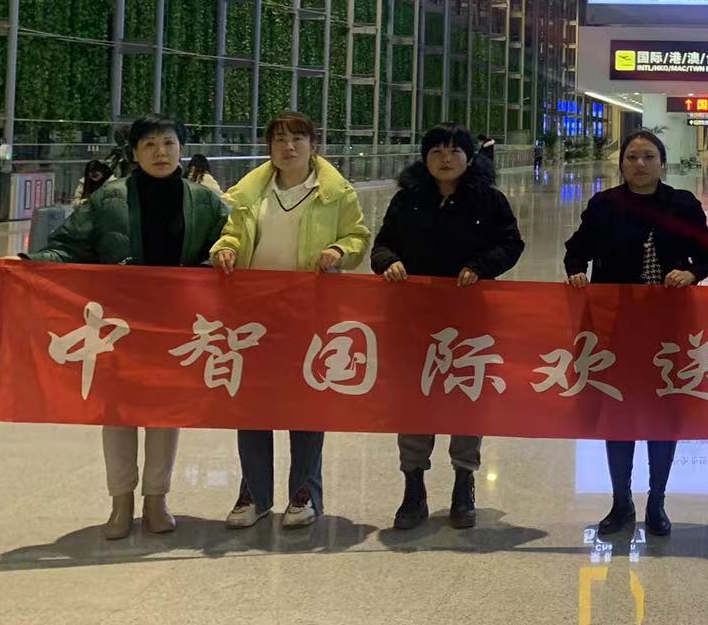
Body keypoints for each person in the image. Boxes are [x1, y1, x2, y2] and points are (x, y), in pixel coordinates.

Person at [30, 114, 229, 539]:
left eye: (169, 143)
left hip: (174, 324)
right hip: (119, 324)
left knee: (164, 412)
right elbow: (68, 245)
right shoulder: (109, 199)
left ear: (181, 149)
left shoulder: (205, 202)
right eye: (150, 145)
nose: (161, 152)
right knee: (117, 411)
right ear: (135, 153)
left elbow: (230, 246)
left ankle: (157, 498)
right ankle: (120, 500)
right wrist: (28, 265)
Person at [210, 112, 369, 530]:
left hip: (309, 313)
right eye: (279, 139)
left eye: (298, 138)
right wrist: (226, 249)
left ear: (314, 145)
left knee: (306, 403)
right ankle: (254, 493)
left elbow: (357, 237)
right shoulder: (249, 193)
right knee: (252, 405)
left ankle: (305, 492)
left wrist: (339, 251)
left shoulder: (336, 193)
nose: (288, 146)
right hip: (254, 315)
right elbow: (232, 234)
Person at [564, 129, 708, 538]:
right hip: (615, 327)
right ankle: (621, 502)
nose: (639, 164)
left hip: (668, 325)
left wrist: (691, 273)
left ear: (662, 163)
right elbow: (576, 249)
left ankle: (657, 501)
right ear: (621, 163)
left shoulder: (682, 204)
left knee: (662, 413)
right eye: (632, 157)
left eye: (648, 156)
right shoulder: (605, 205)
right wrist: (576, 271)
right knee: (619, 413)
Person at [372, 123, 525, 530]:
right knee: (414, 399)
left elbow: (512, 243)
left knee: (465, 399)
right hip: (414, 319)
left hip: (469, 320)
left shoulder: (488, 200)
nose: (445, 159)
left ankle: (464, 484)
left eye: (455, 151)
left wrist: (481, 267)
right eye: (437, 151)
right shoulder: (408, 200)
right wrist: (388, 262)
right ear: (424, 158)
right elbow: (382, 244)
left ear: (470, 158)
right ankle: (413, 488)